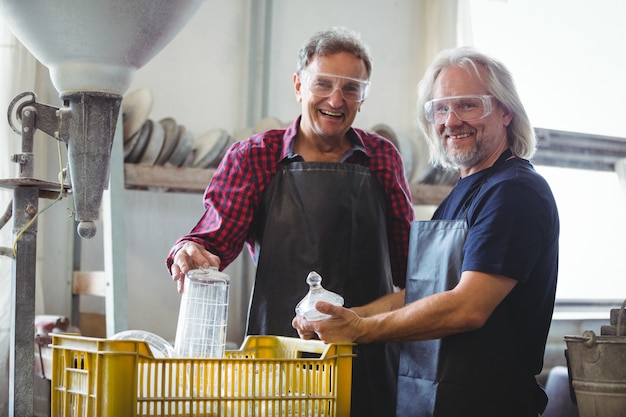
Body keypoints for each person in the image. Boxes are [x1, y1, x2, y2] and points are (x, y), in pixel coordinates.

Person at [293, 46, 560, 417]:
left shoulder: (514, 191)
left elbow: (468, 307)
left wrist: (361, 331)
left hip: (488, 405)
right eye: (440, 107)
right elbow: (420, 295)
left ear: (506, 112)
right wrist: (345, 317)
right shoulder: (461, 193)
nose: (451, 120)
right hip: (431, 401)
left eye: (468, 105)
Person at [166, 27, 414, 417]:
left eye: (351, 88)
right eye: (324, 84)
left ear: (363, 97)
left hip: (365, 356)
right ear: (299, 85)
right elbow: (214, 239)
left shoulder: (383, 158)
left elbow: (408, 265)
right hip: (278, 357)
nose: (336, 99)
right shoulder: (254, 156)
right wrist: (192, 251)